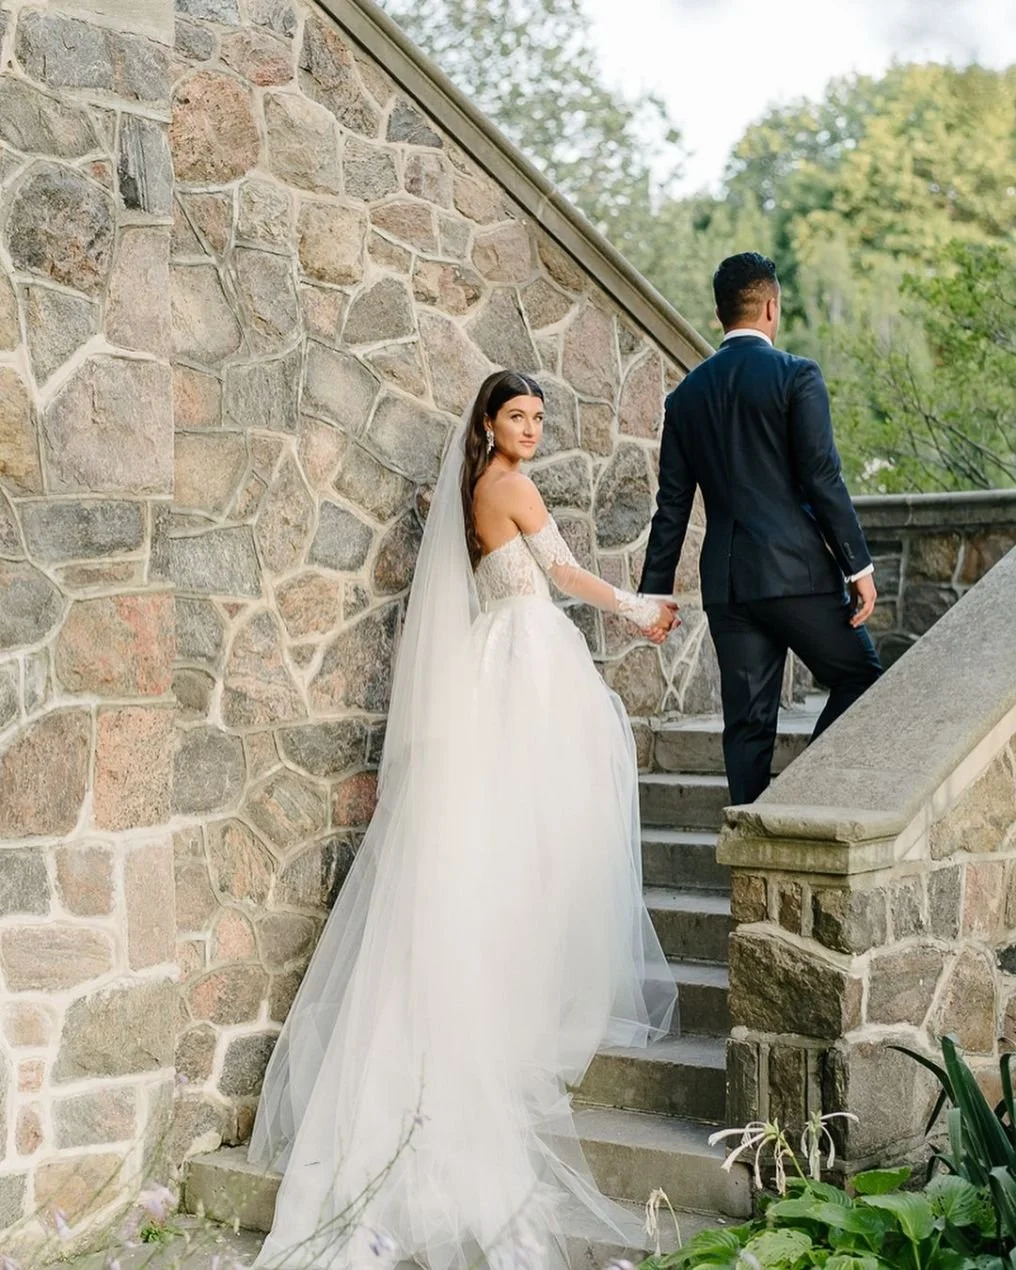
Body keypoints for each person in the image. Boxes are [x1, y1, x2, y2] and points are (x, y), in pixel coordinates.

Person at [249, 370, 678, 1270]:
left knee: (495, 857)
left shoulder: (472, 490)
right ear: (489, 423)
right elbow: (559, 574)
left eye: (538, 418)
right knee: (533, 844)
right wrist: (639, 609)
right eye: (517, 416)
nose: (530, 430)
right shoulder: (509, 486)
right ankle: (504, 1021)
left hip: (499, 664)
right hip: (524, 665)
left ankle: (497, 1001)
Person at [639, 252, 883, 806]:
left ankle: (751, 847)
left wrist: (654, 592)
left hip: (728, 586)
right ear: (771, 305)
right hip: (797, 574)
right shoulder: (797, 375)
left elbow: (671, 506)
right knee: (862, 678)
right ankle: (795, 801)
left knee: (746, 726)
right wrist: (859, 566)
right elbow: (823, 479)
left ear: (720, 313)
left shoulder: (685, 398)